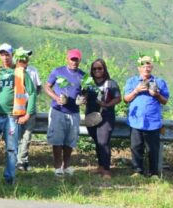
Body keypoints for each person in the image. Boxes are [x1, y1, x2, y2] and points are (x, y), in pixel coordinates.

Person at [0, 44, 37, 185]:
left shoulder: (21, 72)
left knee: (11, 150)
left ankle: (9, 179)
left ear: (12, 55)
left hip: (12, 117)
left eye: (7, 54)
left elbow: (33, 92)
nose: (4, 57)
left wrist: (28, 114)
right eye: (2, 54)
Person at [123, 55, 169, 178]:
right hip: (136, 121)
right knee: (136, 147)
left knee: (153, 149)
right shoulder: (132, 81)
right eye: (143, 66)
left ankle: (153, 173)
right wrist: (136, 91)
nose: (146, 69)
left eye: (148, 66)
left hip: (153, 121)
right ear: (139, 68)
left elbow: (165, 101)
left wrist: (156, 95)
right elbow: (126, 99)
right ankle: (138, 171)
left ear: (152, 67)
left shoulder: (159, 82)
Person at [43, 48, 85, 176]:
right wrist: (56, 98)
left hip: (74, 112)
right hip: (58, 110)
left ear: (80, 60)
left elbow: (85, 92)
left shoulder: (83, 75)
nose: (74, 62)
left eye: (76, 59)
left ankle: (66, 166)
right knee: (57, 140)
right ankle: (57, 168)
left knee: (69, 141)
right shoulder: (58, 71)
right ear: (67, 59)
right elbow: (47, 86)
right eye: (72, 59)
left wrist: (84, 98)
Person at [84, 58, 121, 179]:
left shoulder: (111, 83)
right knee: (97, 142)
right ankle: (100, 166)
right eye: (94, 69)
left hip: (106, 117)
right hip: (90, 116)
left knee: (103, 142)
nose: (97, 70)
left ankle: (106, 170)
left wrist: (107, 105)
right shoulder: (88, 83)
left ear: (104, 69)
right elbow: (83, 96)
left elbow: (118, 98)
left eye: (99, 68)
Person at [15, 48, 42, 172]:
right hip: (16, 107)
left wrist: (31, 101)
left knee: (27, 135)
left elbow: (38, 88)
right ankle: (18, 160)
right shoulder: (13, 71)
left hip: (29, 107)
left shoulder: (33, 70)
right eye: (23, 56)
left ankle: (22, 160)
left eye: (27, 56)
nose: (26, 59)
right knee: (17, 134)